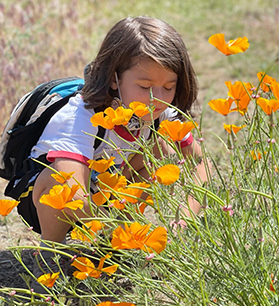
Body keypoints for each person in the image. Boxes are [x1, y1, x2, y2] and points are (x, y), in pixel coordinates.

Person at [15, 16, 209, 292]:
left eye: (169, 86)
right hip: (49, 203)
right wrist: (125, 233)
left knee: (161, 148)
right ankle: (51, 256)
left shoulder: (160, 114)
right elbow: (73, 193)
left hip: (104, 197)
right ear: (114, 79)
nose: (157, 98)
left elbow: (203, 166)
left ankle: (114, 246)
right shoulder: (79, 116)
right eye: (144, 87)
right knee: (60, 182)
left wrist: (184, 219)